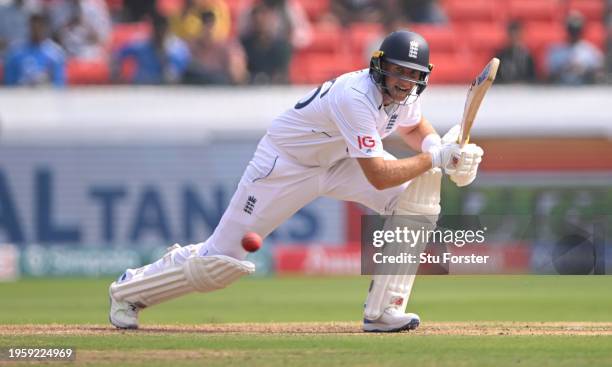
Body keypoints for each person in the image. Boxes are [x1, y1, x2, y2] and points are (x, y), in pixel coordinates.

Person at [108, 30, 484, 332]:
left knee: (418, 197)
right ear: (379, 67)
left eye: (414, 75)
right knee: (219, 264)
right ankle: (129, 290)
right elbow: (378, 175)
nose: (405, 82)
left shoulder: (403, 96)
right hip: (285, 165)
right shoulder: (355, 97)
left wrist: (440, 147)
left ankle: (384, 311)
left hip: (339, 161)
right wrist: (435, 158)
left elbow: (415, 126)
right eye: (398, 71)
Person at [111, 13, 190, 85]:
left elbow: (177, 73)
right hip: (140, 88)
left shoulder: (177, 49)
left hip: (165, 90)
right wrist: (117, 72)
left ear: (167, 30)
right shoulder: (142, 45)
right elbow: (118, 55)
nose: (159, 33)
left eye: (162, 30)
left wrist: (164, 55)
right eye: (157, 29)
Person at [4, 12, 66, 86]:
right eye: (34, 26)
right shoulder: (15, 52)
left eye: (40, 26)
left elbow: (59, 84)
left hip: (47, 95)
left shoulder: (56, 53)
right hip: (20, 95)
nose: (36, 29)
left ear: (45, 27)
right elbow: (9, 84)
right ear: (29, 26)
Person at [547, 11, 604, 85]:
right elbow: (548, 77)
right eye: (571, 30)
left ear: (582, 30)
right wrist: (564, 69)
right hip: (560, 92)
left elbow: (599, 75)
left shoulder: (591, 51)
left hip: (586, 92)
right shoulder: (555, 51)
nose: (574, 33)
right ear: (567, 29)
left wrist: (584, 70)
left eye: (576, 30)